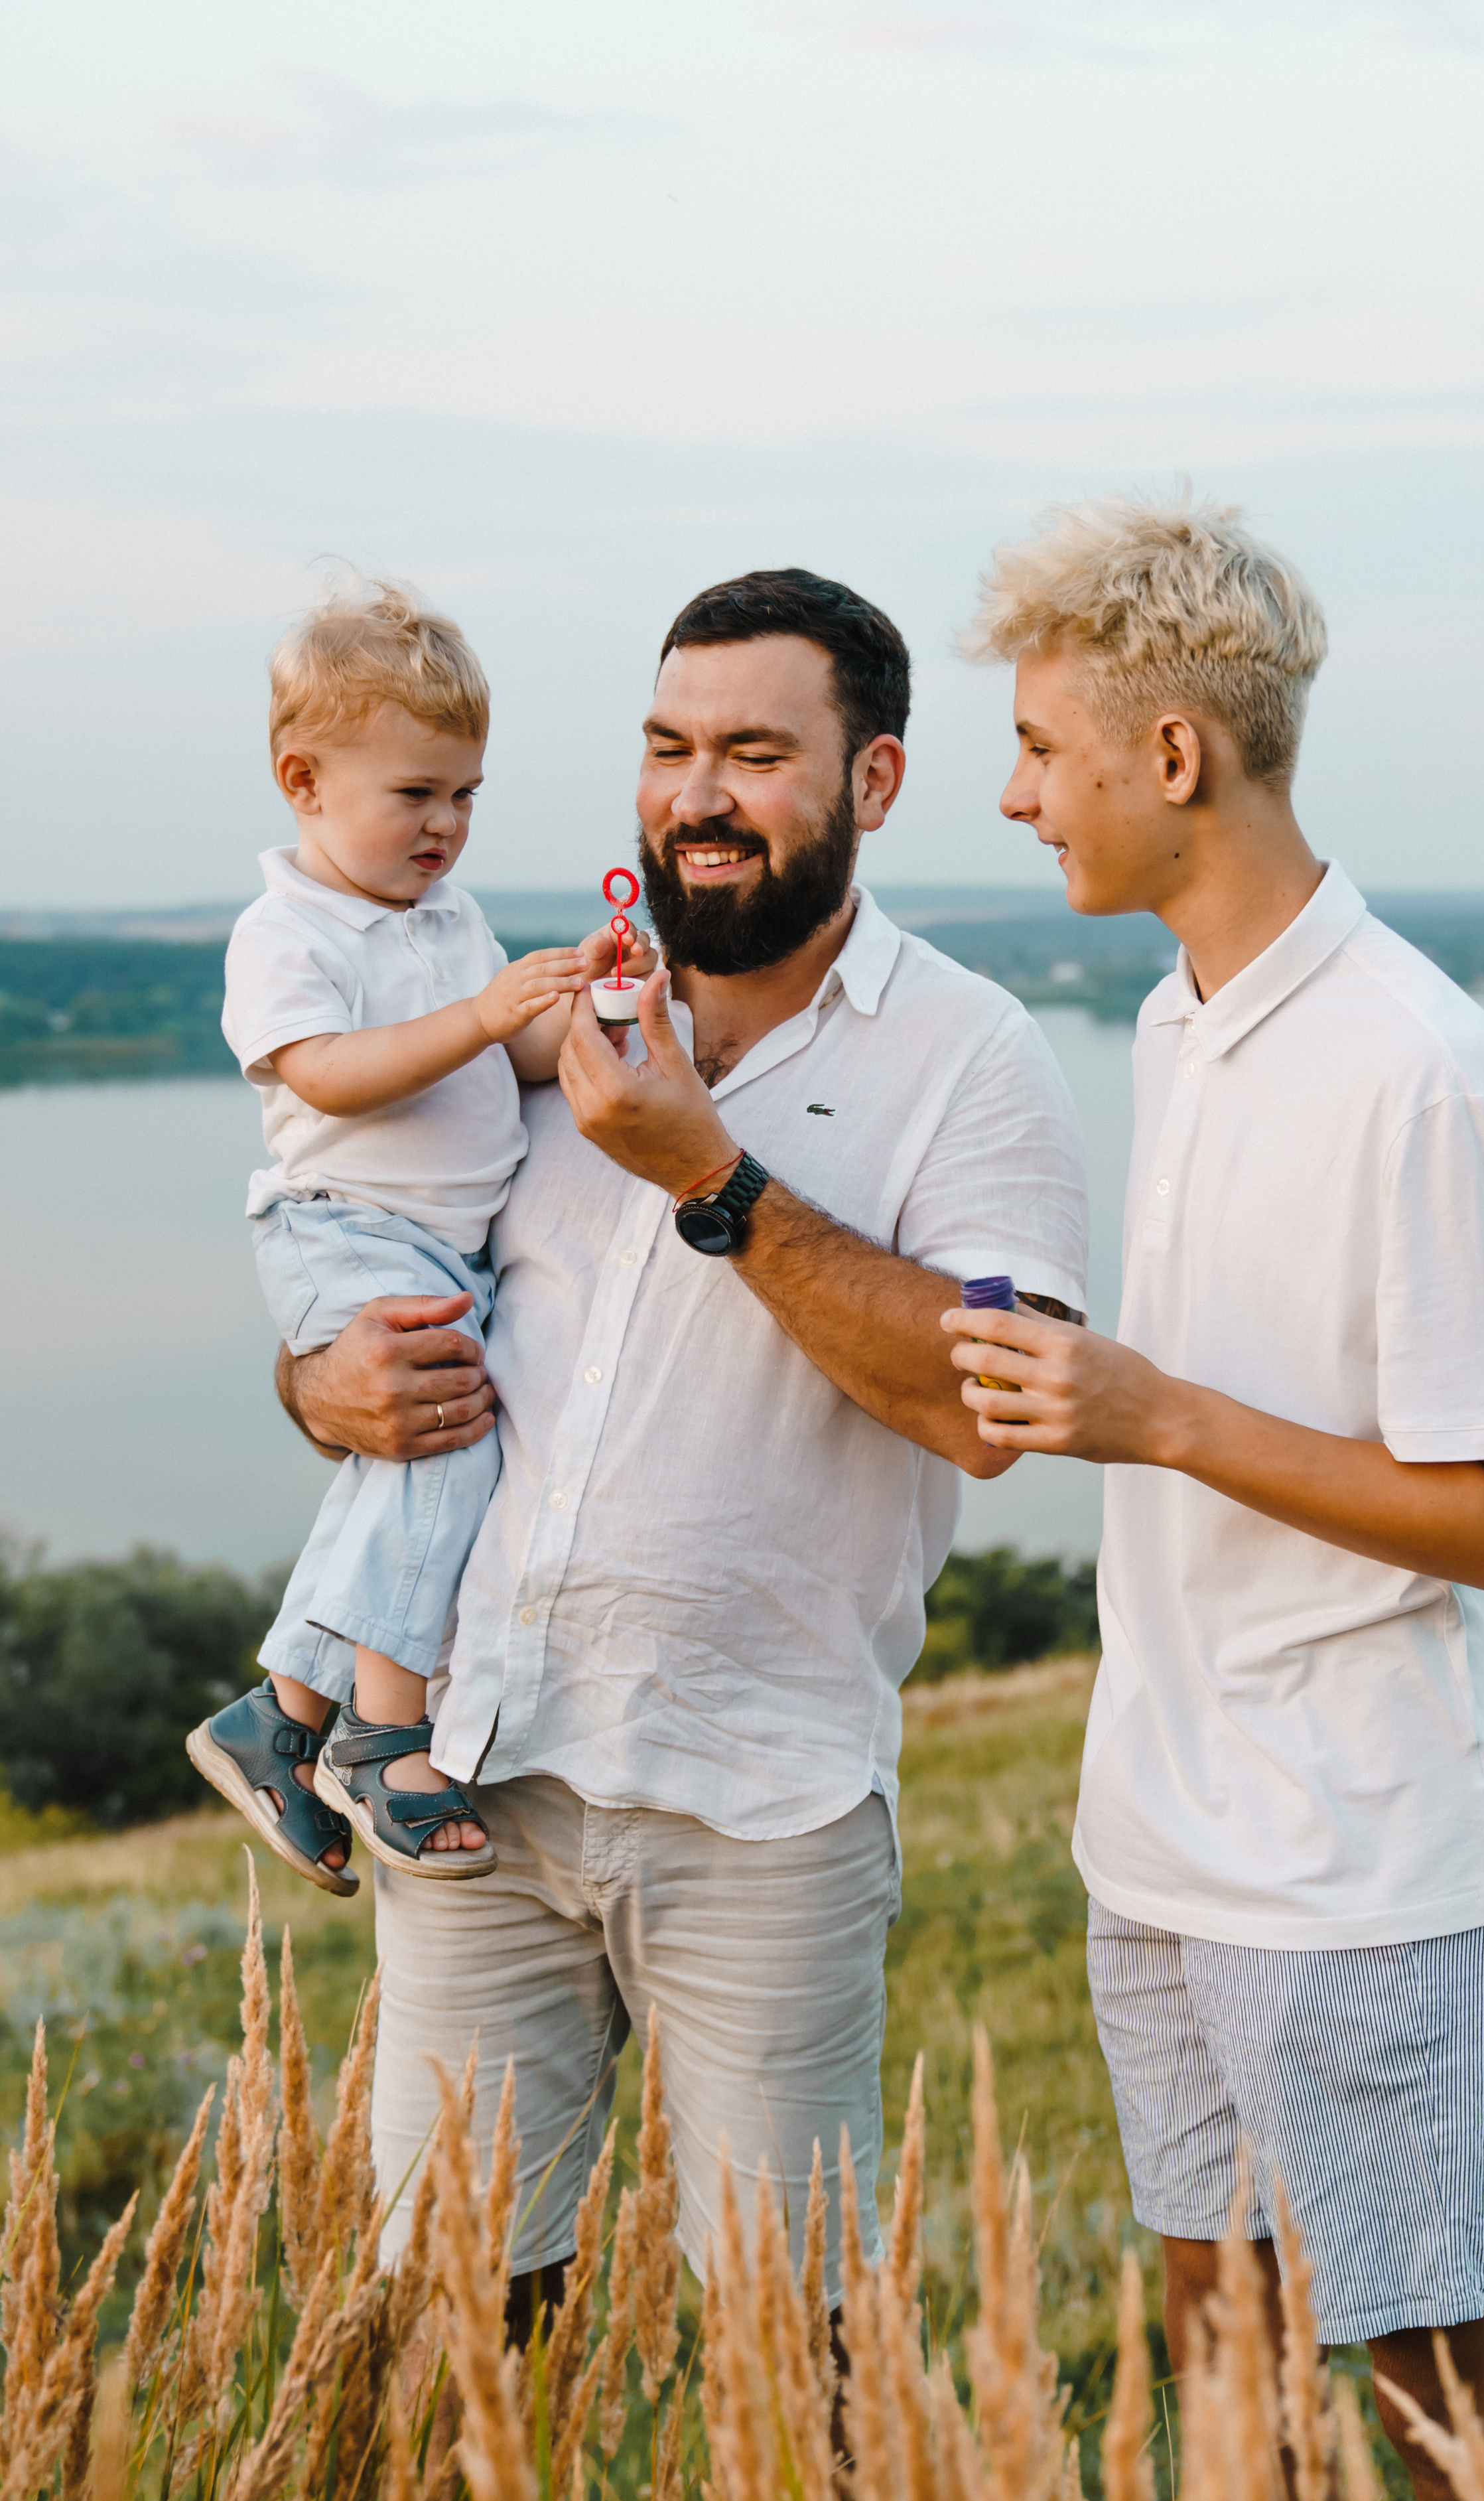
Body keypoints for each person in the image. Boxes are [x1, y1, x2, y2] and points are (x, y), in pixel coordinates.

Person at [272, 567, 1091, 2309]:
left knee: (794, 2360)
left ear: (870, 782)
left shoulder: (971, 1058)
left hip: (761, 1808)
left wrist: (703, 1170)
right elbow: (363, 1235)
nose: (695, 794)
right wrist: (316, 1386)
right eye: (667, 747)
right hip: (475, 1781)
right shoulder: (543, 1002)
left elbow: (993, 1407)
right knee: (452, 2337)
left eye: (751, 752)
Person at [943, 498, 1484, 2501]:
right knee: (1233, 2425)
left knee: (1451, 2447)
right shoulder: (1181, 1018)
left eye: (1045, 746)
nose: (1017, 788)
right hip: (1169, 1840)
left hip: (1378, 1869)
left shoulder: (1425, 1071)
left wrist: (1158, 1413)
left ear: (1174, 759)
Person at [188, 581, 645, 1894]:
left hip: (439, 1248)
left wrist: (599, 1003)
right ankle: (387, 1741)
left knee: (404, 1467)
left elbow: (535, 1058)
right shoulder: (288, 932)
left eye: (465, 796)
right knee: (449, 1442)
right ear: (305, 781)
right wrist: (484, 1014)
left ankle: (281, 1715)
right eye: (415, 795)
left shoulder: (451, 921)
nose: (444, 825)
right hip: (346, 1229)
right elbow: (326, 1073)